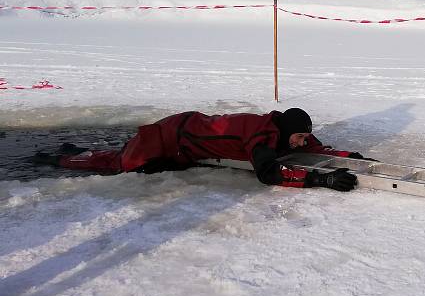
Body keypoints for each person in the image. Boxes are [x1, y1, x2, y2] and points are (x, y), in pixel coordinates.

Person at [32, 108, 367, 192]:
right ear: (285, 132)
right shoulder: (261, 136)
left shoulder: (283, 130)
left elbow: (311, 144)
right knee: (119, 164)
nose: (301, 143)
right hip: (169, 137)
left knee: (119, 157)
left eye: (302, 138)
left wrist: (347, 157)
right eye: (298, 138)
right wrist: (319, 181)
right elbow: (268, 174)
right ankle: (60, 158)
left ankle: (74, 147)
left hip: (187, 130)